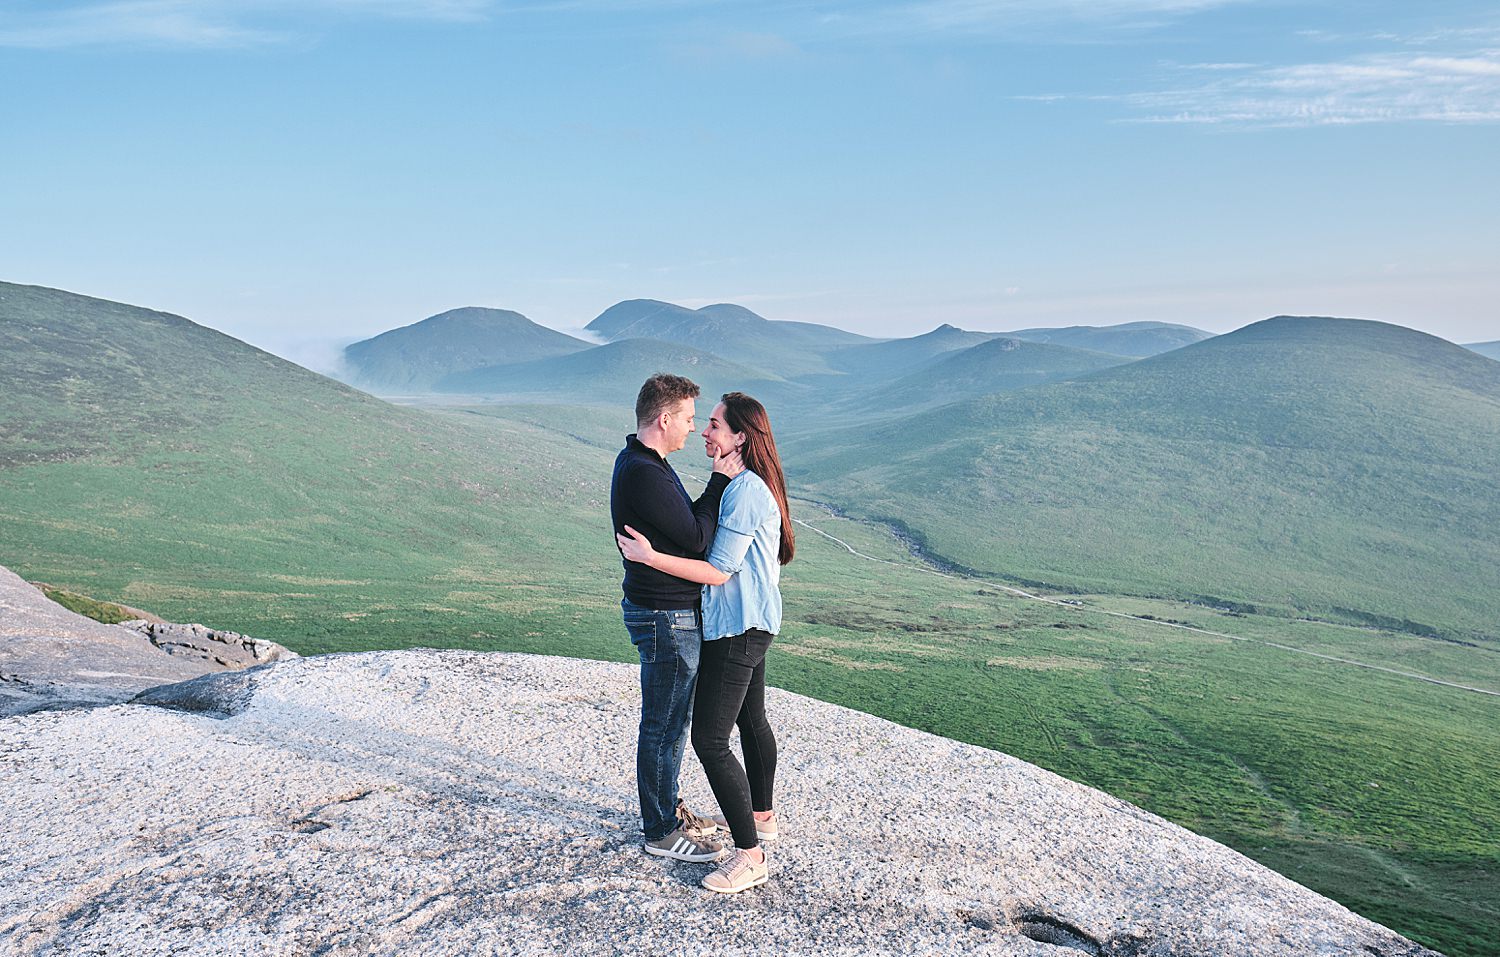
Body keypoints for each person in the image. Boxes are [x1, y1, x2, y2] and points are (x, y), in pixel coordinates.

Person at [617, 392, 793, 894]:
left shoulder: (745, 492)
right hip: (752, 622)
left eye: (713, 425)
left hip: (738, 628)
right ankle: (761, 819)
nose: (704, 432)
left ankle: (750, 857)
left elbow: (717, 571)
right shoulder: (744, 486)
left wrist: (650, 558)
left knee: (709, 741)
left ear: (740, 437)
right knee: (750, 719)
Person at [611, 373, 745, 863]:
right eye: (689, 418)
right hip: (665, 613)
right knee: (664, 724)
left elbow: (680, 526)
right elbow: (694, 537)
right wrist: (720, 480)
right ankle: (662, 830)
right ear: (664, 419)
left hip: (665, 610)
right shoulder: (644, 471)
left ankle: (666, 808)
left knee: (671, 720)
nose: (693, 428)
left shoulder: (645, 462)